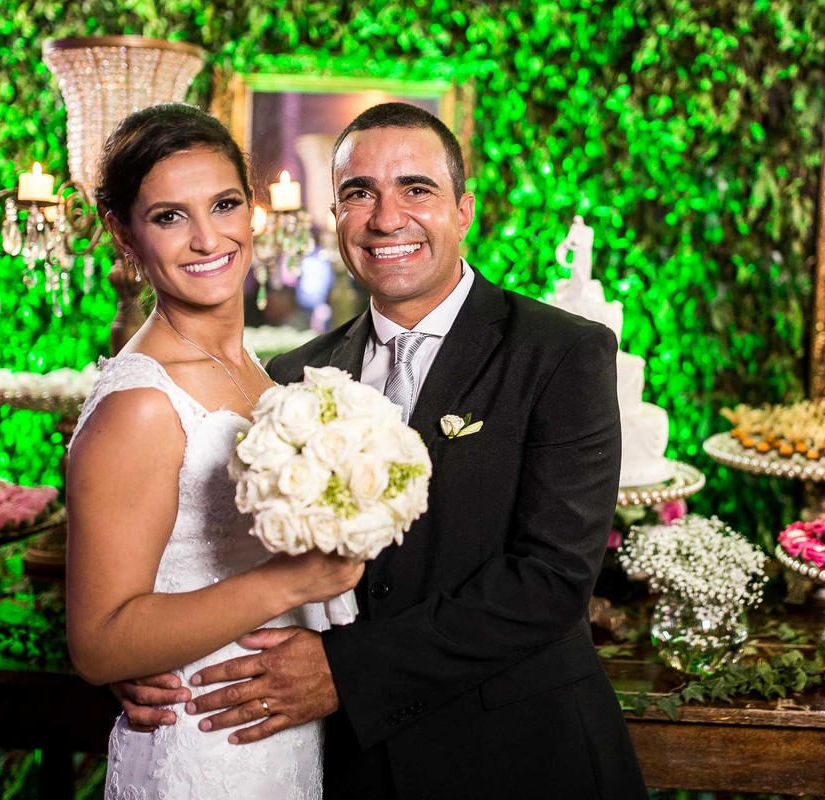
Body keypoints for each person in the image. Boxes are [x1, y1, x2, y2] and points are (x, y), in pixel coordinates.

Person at [117, 102, 647, 798]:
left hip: (518, 755)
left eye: (416, 190)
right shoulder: (290, 376)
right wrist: (158, 653)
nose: (386, 217)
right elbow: (245, 557)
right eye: (357, 193)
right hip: (351, 768)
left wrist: (346, 672)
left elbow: (549, 581)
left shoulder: (561, 351)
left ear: (465, 209)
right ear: (335, 217)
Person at [65, 103, 363, 798]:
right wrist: (292, 582)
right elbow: (100, 642)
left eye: (225, 204)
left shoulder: (263, 373)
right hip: (200, 747)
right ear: (123, 233)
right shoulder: (140, 405)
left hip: (280, 738)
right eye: (169, 216)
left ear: (252, 210)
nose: (207, 238)